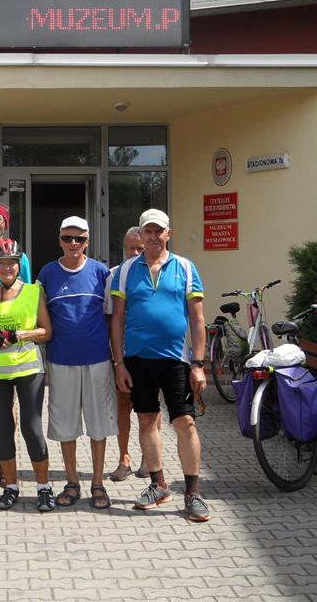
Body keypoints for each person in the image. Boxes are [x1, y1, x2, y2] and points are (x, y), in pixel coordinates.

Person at [109, 209, 210, 521]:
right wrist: (119, 363)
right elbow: (117, 319)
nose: (153, 236)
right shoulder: (125, 270)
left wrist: (198, 364)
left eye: (158, 231)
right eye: (148, 231)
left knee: (185, 422)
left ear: (168, 233)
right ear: (141, 235)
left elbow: (198, 319)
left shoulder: (186, 267)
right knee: (146, 419)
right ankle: (159, 485)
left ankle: (192, 492)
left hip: (176, 359)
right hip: (137, 360)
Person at [38, 216, 117, 509]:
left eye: (79, 239)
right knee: (65, 426)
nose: (73, 243)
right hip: (60, 361)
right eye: (68, 238)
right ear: (59, 240)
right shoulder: (47, 273)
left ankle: (97, 483)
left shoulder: (101, 272)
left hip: (97, 360)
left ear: (88, 241)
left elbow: (110, 316)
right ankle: (72, 481)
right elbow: (41, 317)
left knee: (99, 425)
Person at [0, 238, 55, 511]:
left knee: (31, 428)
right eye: (1, 263)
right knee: (2, 429)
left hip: (28, 368)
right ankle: (10, 486)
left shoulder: (33, 292)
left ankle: (44, 487)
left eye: (12, 263)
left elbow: (46, 332)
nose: (7, 268)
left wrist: (19, 334)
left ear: (19, 265)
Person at [103, 226, 158, 482]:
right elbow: (109, 316)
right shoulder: (115, 275)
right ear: (123, 249)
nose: (135, 252)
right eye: (130, 248)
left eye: (139, 248)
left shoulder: (157, 271)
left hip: (151, 353)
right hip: (122, 354)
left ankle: (149, 458)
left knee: (151, 408)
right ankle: (124, 459)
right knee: (123, 405)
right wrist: (115, 358)